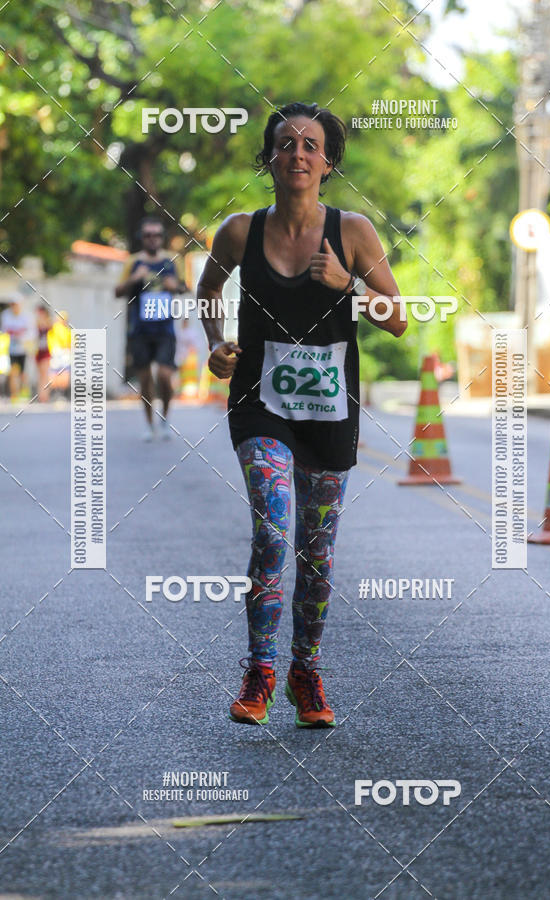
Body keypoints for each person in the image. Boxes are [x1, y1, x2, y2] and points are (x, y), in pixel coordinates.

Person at [198, 101, 407, 728]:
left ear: (328, 163)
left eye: (311, 145)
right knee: (273, 532)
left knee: (317, 555)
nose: (298, 154)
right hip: (261, 407)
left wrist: (349, 285)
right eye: (286, 144)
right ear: (270, 158)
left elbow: (397, 318)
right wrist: (215, 342)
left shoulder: (354, 232)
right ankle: (260, 671)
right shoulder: (241, 230)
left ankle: (305, 671)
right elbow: (209, 289)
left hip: (329, 411)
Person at [115, 216, 186, 440]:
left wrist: (175, 286)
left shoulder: (172, 261)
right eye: (148, 235)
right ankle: (149, 424)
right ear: (142, 238)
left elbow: (186, 287)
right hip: (140, 329)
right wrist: (134, 279)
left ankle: (165, 418)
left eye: (156, 235)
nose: (153, 239)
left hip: (165, 328)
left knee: (165, 376)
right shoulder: (133, 262)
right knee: (145, 379)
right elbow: (117, 291)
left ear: (161, 237)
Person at [1, 299, 31, 402]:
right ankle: (15, 395)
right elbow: (6, 330)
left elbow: (28, 331)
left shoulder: (25, 316)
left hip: (23, 350)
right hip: (12, 350)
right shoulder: (7, 316)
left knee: (23, 373)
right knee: (14, 373)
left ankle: (24, 393)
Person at [35, 305, 53, 403]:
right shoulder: (35, 323)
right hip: (38, 351)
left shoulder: (49, 322)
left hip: (46, 351)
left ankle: (45, 396)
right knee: (40, 375)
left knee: (45, 374)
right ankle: (40, 395)